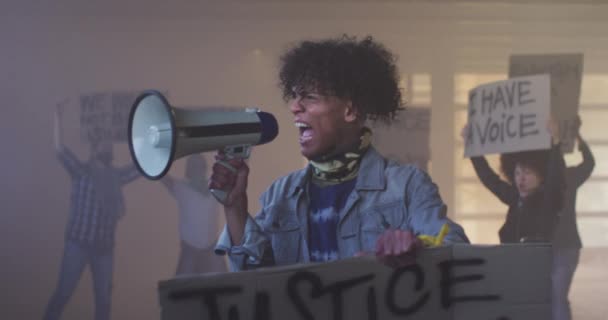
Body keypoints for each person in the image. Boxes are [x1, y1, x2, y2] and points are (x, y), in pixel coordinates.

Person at [210, 35, 469, 271]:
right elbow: (251, 284)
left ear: (350, 110)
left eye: (309, 97)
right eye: (294, 96)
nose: (293, 107)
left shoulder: (408, 185)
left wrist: (418, 245)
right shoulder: (280, 195)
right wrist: (235, 207)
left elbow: (457, 252)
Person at [43, 104, 140, 320]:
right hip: (77, 244)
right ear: (95, 149)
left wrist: (154, 139)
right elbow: (60, 150)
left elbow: (141, 168)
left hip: (104, 249)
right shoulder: (82, 172)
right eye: (104, 146)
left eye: (109, 147)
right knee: (63, 294)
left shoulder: (116, 177)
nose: (108, 149)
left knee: (104, 302)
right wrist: (57, 117)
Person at [463, 119, 566, 244]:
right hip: (510, 259)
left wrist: (555, 144)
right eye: (517, 173)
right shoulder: (514, 197)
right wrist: (471, 146)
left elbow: (555, 176)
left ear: (541, 176)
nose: (520, 179)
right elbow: (489, 179)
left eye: (527, 173)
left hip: (534, 261)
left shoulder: (548, 200)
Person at [552, 116, 594, 320]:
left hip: (564, 246)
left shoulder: (562, 178)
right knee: (556, 298)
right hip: (560, 246)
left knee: (557, 298)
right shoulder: (568, 177)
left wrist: (576, 135)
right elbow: (590, 163)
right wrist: (577, 135)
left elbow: (589, 163)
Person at [161, 154, 226, 275]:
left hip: (211, 247)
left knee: (226, 287)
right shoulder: (181, 187)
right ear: (189, 169)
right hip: (190, 249)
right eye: (194, 166)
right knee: (182, 291)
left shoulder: (215, 186)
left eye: (200, 165)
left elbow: (234, 174)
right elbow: (162, 176)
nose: (197, 169)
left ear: (204, 168)